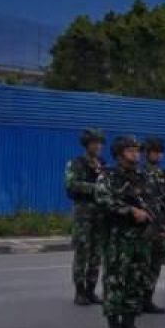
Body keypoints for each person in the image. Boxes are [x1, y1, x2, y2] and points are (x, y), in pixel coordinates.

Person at [94, 135, 152, 328]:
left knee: (136, 280)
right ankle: (113, 326)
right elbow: (102, 200)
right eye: (130, 150)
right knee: (115, 280)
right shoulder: (108, 176)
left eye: (137, 149)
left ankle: (130, 323)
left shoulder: (143, 176)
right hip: (118, 237)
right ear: (119, 154)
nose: (136, 153)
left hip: (141, 237)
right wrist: (129, 210)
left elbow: (152, 200)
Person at [66, 127, 107, 306]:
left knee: (96, 253)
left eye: (99, 143)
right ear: (87, 145)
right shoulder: (77, 163)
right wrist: (94, 188)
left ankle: (91, 290)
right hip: (83, 213)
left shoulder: (103, 163)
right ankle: (80, 291)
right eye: (94, 143)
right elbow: (71, 185)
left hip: (100, 214)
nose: (97, 146)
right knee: (82, 252)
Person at [140, 137, 165, 315]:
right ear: (147, 153)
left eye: (160, 152)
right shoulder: (140, 172)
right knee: (142, 265)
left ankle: (147, 299)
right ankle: (136, 300)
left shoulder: (164, 174)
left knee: (156, 264)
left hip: (161, 225)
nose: (158, 155)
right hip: (146, 226)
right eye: (155, 152)